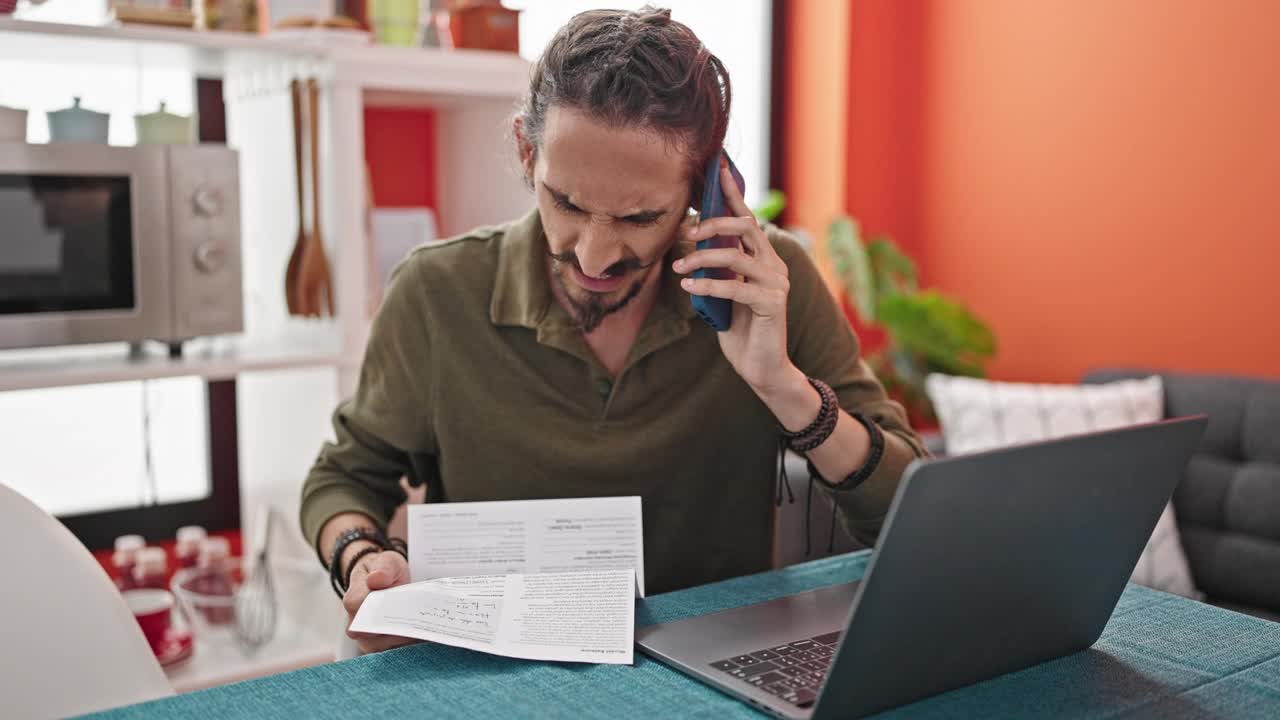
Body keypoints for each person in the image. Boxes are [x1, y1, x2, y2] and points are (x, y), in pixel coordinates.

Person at [301, 6, 927, 655]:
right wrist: (361, 557)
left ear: (704, 189)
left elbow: (905, 520)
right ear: (525, 150)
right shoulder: (436, 293)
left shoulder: (766, 287)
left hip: (704, 677)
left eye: (639, 217)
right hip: (491, 675)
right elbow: (342, 479)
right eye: (567, 203)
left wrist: (782, 385)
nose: (594, 258)